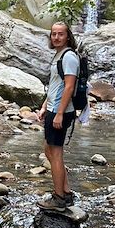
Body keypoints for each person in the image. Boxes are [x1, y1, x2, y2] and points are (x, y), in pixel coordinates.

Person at [37, 21, 79, 211]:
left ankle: (59, 198)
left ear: (67, 36)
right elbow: (56, 85)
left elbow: (69, 86)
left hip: (62, 110)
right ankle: (66, 192)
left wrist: (59, 113)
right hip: (53, 108)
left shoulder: (69, 56)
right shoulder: (58, 55)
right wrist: (45, 106)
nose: (56, 37)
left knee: (55, 154)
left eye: (60, 34)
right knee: (49, 150)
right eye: (54, 34)